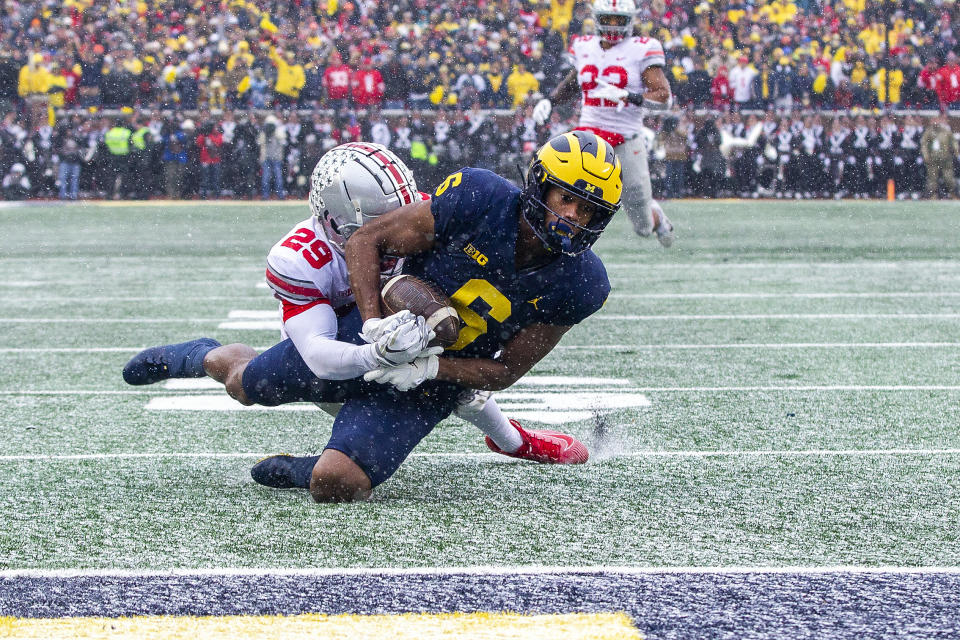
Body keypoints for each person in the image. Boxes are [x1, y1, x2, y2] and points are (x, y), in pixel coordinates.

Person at [123, 137, 604, 502]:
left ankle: (311, 466)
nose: (574, 219)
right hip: (381, 324)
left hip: (434, 380)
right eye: (567, 200)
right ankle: (197, 355)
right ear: (539, 185)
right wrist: (374, 326)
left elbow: (505, 371)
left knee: (336, 485)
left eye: (589, 211)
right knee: (247, 385)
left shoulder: (581, 282)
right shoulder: (481, 197)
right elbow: (364, 240)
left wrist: (428, 370)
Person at [532, 0, 674, 248]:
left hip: (625, 136)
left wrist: (630, 96)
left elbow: (664, 98)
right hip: (589, 134)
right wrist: (550, 100)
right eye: (608, 18)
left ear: (630, 21)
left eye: (619, 20)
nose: (613, 25)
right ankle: (557, 239)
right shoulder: (584, 46)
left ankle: (656, 217)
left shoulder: (642, 48)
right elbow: (575, 82)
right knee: (559, 182)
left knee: (642, 224)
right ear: (597, 17)